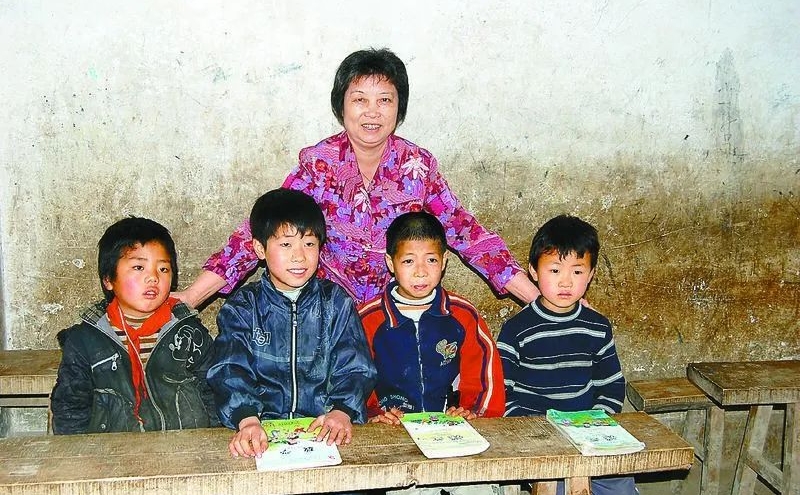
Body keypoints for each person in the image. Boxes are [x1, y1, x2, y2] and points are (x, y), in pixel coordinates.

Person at [176, 47, 539, 309]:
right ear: (342, 106)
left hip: (397, 312)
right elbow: (260, 230)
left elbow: (466, 233)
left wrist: (538, 299)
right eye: (360, 99)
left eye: (385, 100)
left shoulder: (418, 166)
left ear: (399, 109)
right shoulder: (318, 164)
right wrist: (193, 296)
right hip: (327, 312)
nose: (372, 112)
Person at [207, 188, 377, 459]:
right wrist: (247, 419)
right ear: (260, 249)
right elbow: (229, 368)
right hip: (260, 432)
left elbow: (356, 367)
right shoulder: (243, 307)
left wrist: (342, 411)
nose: (299, 256)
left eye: (309, 244)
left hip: (324, 429)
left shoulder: (335, 302)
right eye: (286, 245)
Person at [359, 211, 503, 495]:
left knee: (479, 488)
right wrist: (373, 413)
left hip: (454, 432)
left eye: (431, 260)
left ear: (444, 261)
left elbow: (485, 374)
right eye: (408, 261)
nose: (421, 272)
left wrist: (473, 412)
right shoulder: (369, 318)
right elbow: (354, 378)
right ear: (390, 263)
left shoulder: (462, 314)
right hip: (393, 435)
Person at [496, 215, 637, 495]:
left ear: (591, 274)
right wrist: (531, 428)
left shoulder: (597, 327)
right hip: (538, 436)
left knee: (621, 483)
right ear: (534, 271)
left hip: (589, 432)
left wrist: (597, 421)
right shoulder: (517, 329)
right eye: (555, 270)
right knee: (559, 486)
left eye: (577, 272)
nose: (565, 282)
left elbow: (611, 384)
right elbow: (502, 390)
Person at [51, 217, 218, 434]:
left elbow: (215, 394)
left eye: (163, 269)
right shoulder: (85, 341)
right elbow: (70, 410)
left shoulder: (189, 333)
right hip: (111, 452)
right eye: (139, 267)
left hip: (183, 449)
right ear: (108, 279)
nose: (153, 278)